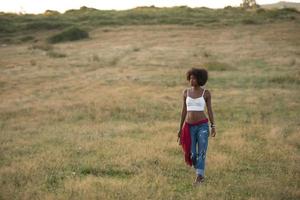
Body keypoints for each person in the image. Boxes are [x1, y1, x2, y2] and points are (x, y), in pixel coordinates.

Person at [177, 67, 216, 186]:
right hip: (189, 126)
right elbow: (183, 111)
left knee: (202, 152)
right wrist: (180, 129)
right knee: (192, 154)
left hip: (202, 126)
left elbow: (209, 110)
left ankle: (200, 177)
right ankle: (199, 170)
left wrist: (212, 125)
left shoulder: (206, 93)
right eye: (190, 78)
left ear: (200, 79)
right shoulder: (185, 92)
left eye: (194, 78)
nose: (191, 80)